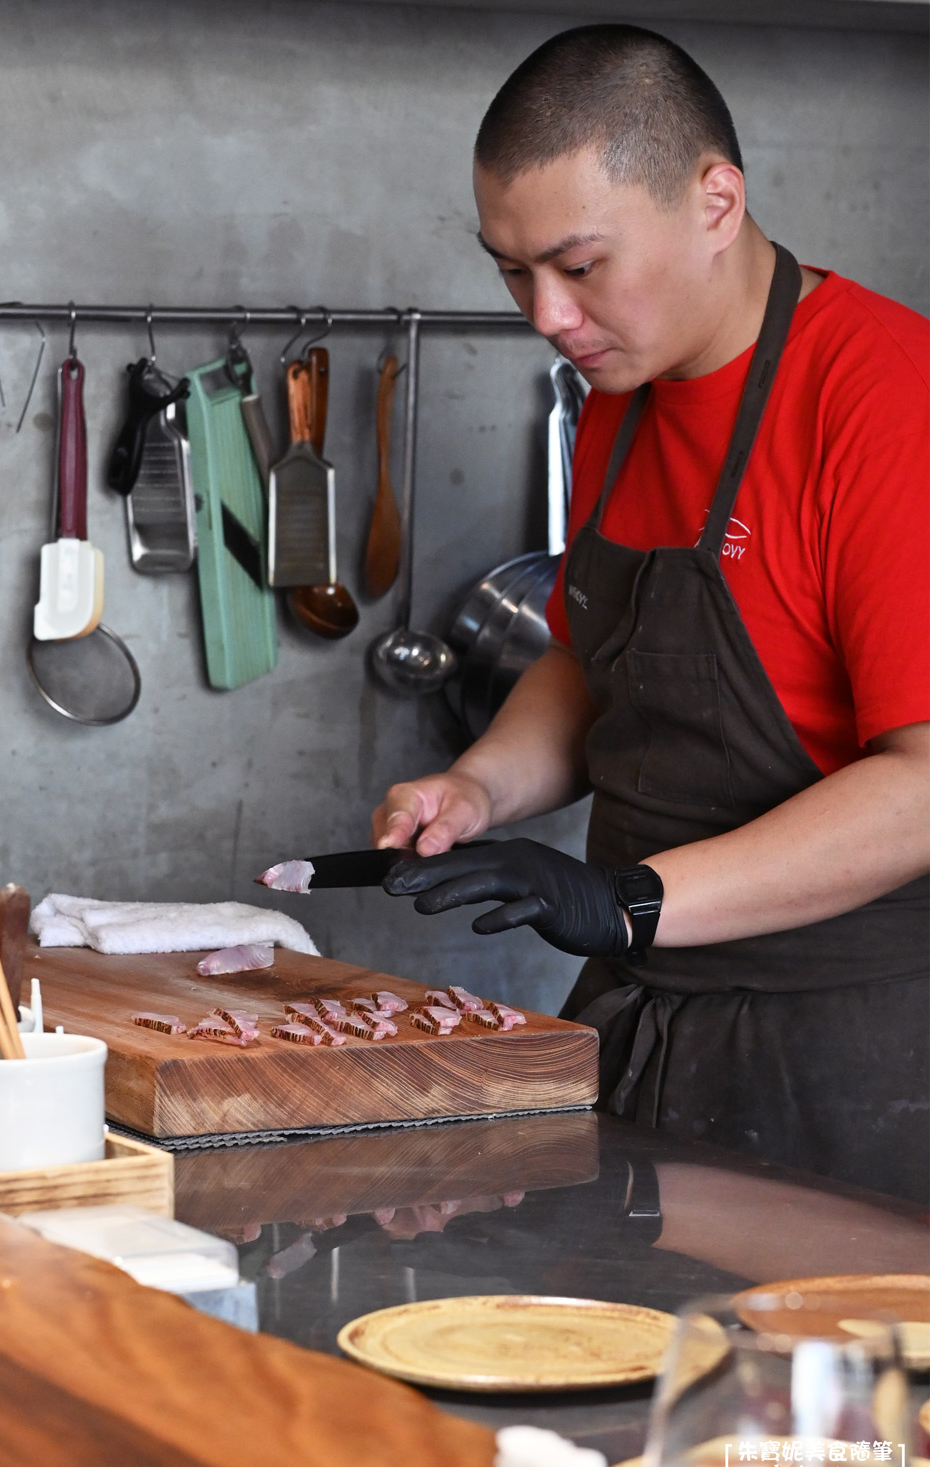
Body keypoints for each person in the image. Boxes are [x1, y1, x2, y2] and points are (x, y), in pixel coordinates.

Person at [372, 25, 929, 1202]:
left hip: (857, 1062)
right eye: (510, 270)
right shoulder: (623, 392)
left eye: (577, 265)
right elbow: (595, 663)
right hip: (646, 1024)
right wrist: (479, 786)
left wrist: (630, 898)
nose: (543, 315)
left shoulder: (883, 398)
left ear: (715, 200)